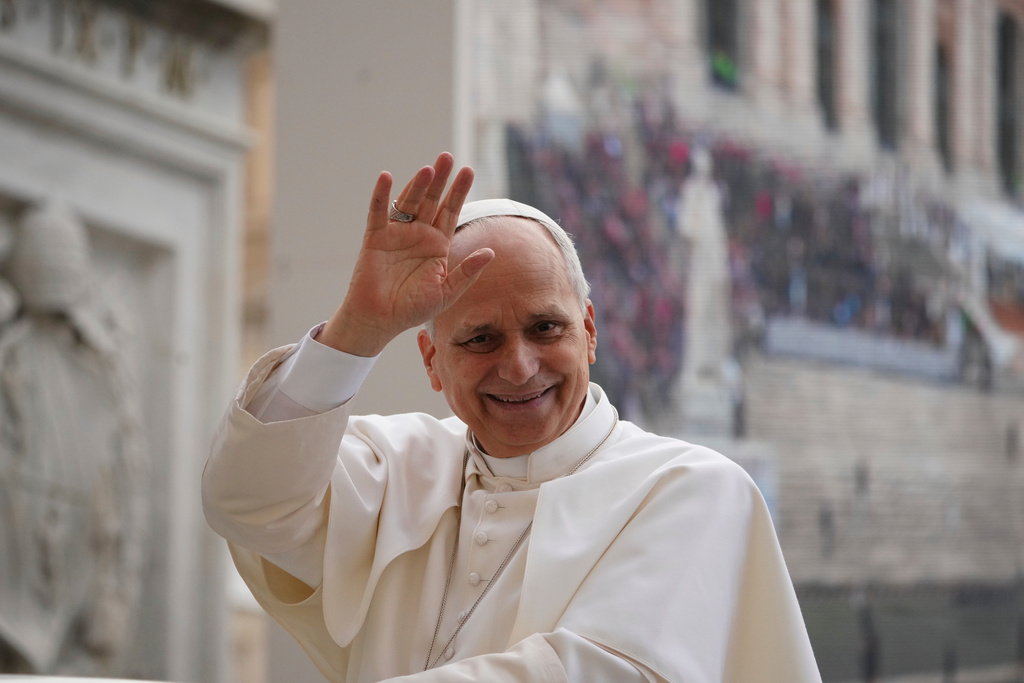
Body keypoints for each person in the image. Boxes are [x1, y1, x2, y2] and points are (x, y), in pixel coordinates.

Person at [203, 153, 821, 682]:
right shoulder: (397, 467)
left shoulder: (693, 489)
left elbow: (598, 671)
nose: (520, 367)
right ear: (433, 362)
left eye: (545, 327)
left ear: (589, 332)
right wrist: (357, 331)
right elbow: (246, 500)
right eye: (479, 339)